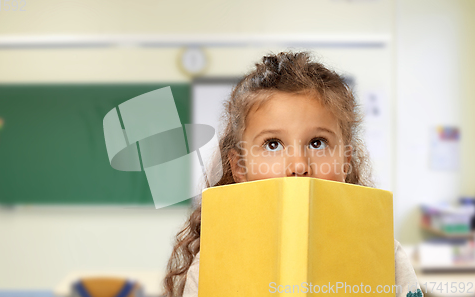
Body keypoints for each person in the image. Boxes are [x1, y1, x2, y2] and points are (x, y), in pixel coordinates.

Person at [162, 51, 422, 297]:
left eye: (318, 142)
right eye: (273, 144)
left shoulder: (384, 253)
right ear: (240, 167)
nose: (299, 165)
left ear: (345, 162)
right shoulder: (214, 259)